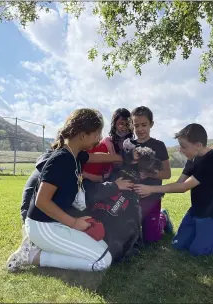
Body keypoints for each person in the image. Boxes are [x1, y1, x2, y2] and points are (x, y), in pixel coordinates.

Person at [7, 108, 133, 273]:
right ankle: (32, 256)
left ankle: (38, 247)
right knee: (103, 261)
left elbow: (96, 157)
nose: (99, 139)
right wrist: (74, 223)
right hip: (44, 226)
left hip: (56, 223)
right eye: (96, 134)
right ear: (82, 135)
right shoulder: (61, 160)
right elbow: (42, 201)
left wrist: (122, 158)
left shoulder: (75, 155)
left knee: (102, 246)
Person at [134, 123, 213, 257]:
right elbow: (179, 182)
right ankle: (170, 219)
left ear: (198, 145)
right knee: (178, 244)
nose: (180, 150)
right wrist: (151, 180)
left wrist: (151, 189)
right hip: (196, 211)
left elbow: (184, 187)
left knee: (199, 251)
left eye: (183, 146)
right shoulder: (193, 159)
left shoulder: (212, 161)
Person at [129, 106, 173, 244]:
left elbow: (167, 174)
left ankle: (163, 218)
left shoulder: (159, 145)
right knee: (131, 237)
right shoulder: (128, 145)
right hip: (131, 199)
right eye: (136, 125)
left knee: (150, 240)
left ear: (151, 124)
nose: (140, 129)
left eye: (144, 125)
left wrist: (148, 174)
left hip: (152, 197)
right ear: (132, 125)